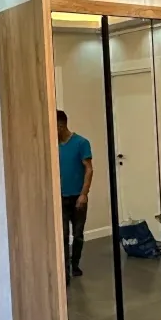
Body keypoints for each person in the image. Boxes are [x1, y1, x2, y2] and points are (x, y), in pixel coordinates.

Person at [56, 110, 93, 282]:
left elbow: (89, 169)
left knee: (77, 234)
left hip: (78, 197)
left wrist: (84, 194)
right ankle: (65, 272)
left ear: (61, 125)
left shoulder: (81, 143)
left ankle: (75, 265)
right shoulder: (54, 146)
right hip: (61, 198)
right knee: (63, 235)